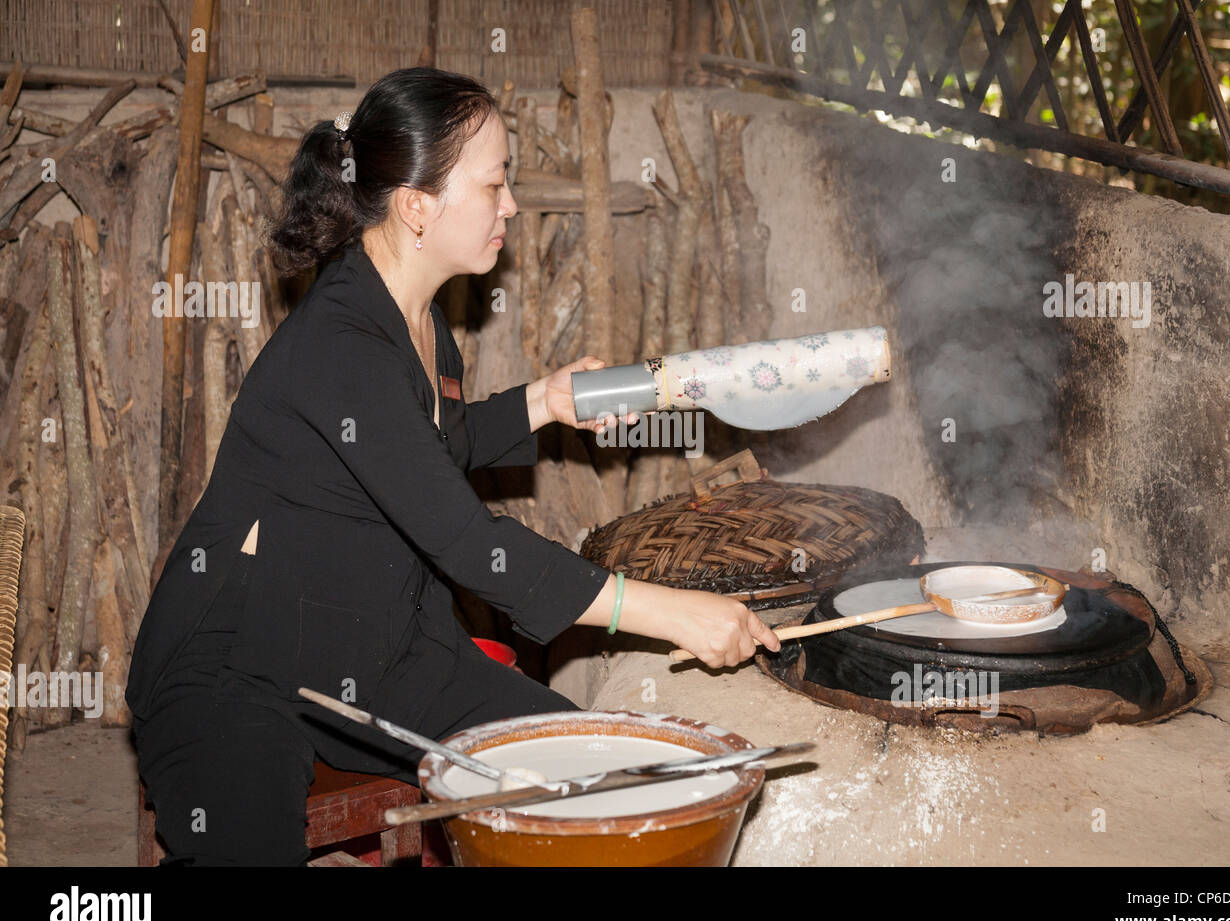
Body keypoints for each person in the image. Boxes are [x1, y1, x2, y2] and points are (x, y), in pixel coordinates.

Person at [126, 66, 780, 866]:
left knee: (588, 778)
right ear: (416, 206)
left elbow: (425, 448)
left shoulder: (419, 319)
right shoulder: (341, 346)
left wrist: (543, 401)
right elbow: (468, 542)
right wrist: (673, 613)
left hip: (371, 645)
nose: (510, 204)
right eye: (495, 183)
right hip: (236, 666)